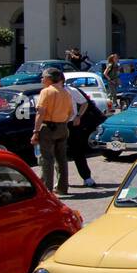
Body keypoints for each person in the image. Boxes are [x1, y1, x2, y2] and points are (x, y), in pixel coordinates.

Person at [31, 67, 74, 195]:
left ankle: (46, 190)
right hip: (62, 127)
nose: (42, 79)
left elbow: (41, 113)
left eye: (43, 77)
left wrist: (36, 131)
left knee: (47, 159)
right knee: (61, 158)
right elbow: (70, 113)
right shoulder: (66, 93)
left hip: (49, 127)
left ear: (50, 78)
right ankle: (62, 187)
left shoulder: (46, 91)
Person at [64, 76, 100, 188]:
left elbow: (85, 103)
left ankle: (86, 177)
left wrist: (78, 116)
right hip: (58, 124)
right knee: (59, 154)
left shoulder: (71, 90)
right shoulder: (47, 91)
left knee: (77, 151)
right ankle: (62, 181)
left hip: (71, 124)